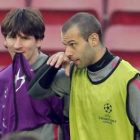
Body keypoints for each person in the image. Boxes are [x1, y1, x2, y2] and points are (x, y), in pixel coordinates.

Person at [28, 12, 140, 140]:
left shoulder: (129, 80)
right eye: (66, 46)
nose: (68, 52)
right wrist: (53, 66)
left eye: (72, 44)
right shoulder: (73, 75)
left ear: (93, 39)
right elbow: (34, 92)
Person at [0, 8, 70, 140]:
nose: (17, 45)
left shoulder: (59, 73)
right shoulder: (2, 79)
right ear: (5, 41)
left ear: (39, 41)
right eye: (12, 37)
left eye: (25, 38)